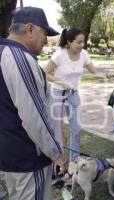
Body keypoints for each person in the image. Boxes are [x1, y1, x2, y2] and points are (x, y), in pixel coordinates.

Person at [0, 7, 68, 200]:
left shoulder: (3, 52)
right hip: (29, 157)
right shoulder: (20, 58)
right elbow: (34, 116)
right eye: (44, 33)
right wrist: (57, 153)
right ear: (30, 29)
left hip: (10, 155)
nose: (46, 40)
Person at [45, 28, 114, 161]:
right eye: (78, 42)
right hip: (57, 94)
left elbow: (94, 73)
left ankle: (74, 161)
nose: (81, 45)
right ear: (69, 42)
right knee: (56, 131)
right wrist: (60, 82)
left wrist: (108, 74)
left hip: (73, 94)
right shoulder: (60, 54)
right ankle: (55, 162)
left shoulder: (84, 54)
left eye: (83, 42)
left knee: (76, 129)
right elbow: (46, 73)